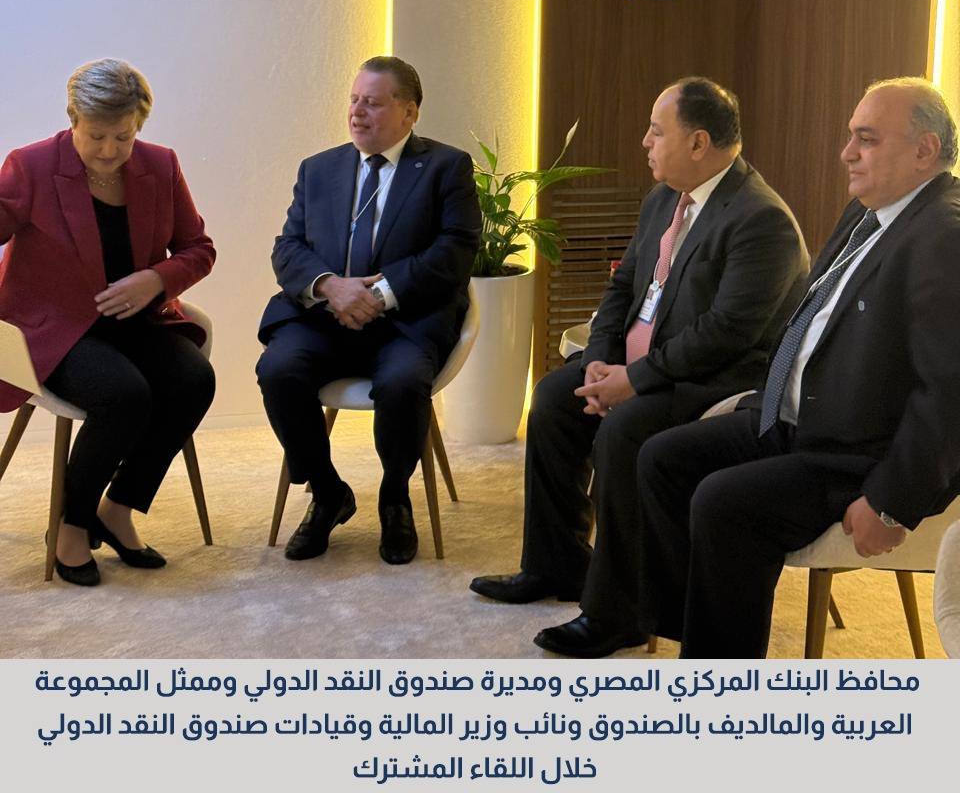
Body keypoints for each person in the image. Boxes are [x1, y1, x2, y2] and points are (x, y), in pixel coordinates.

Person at [470, 77, 809, 656]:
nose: (645, 142)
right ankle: (555, 566)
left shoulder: (761, 219)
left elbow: (726, 334)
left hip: (714, 382)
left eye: (657, 131)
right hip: (641, 363)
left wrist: (634, 379)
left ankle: (618, 613)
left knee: (626, 430)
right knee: (553, 399)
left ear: (698, 142)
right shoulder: (664, 198)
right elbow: (624, 287)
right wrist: (600, 359)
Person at [632, 77, 960, 658]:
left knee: (723, 502)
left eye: (866, 139)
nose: (847, 153)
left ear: (924, 150)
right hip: (794, 420)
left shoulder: (943, 236)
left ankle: (721, 682)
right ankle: (691, 637)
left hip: (858, 456)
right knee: (662, 458)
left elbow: (949, 393)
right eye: (850, 137)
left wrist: (891, 501)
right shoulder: (871, 212)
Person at [256, 56, 480, 566]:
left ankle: (395, 496)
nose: (357, 112)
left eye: (373, 103)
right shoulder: (318, 169)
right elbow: (288, 248)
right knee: (278, 370)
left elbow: (455, 251)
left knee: (403, 384)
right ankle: (327, 492)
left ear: (410, 112)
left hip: (406, 321)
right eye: (354, 100)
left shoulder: (446, 167)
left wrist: (381, 295)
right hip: (324, 317)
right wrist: (330, 286)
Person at [0, 59, 216, 587]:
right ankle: (70, 524)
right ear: (72, 117)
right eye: (96, 135)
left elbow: (198, 248)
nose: (109, 150)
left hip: (136, 318)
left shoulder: (161, 165)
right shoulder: (30, 166)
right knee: (124, 396)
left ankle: (117, 509)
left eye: (123, 136)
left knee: (194, 380)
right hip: (53, 327)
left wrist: (156, 278)